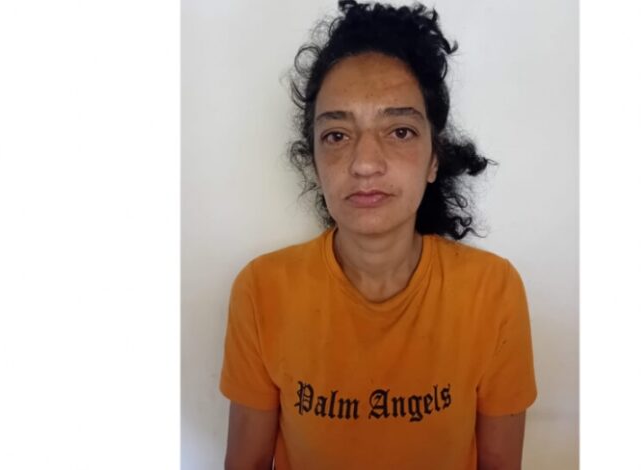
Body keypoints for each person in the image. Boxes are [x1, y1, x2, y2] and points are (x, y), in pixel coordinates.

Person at [219, 1, 537, 469]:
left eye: (400, 131)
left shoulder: (492, 292)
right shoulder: (260, 292)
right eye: (337, 135)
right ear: (314, 162)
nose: (365, 163)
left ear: (434, 159)